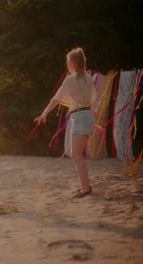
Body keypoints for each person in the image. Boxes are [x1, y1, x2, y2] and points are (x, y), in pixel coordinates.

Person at [34, 47, 97, 198]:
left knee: (76, 155)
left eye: (68, 62)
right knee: (77, 154)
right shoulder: (88, 78)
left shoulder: (71, 79)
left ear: (75, 62)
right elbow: (92, 98)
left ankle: (85, 189)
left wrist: (44, 113)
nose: (67, 65)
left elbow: (56, 98)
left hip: (81, 117)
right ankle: (85, 185)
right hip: (86, 115)